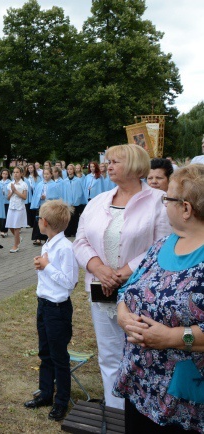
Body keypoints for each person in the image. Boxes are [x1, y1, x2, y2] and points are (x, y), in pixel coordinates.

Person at [73, 144, 171, 409]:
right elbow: (80, 240)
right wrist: (99, 269)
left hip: (140, 293)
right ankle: (115, 412)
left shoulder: (159, 202)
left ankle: (144, 412)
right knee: (109, 355)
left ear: (134, 165)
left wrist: (123, 273)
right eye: (108, 161)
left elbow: (162, 244)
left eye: (115, 161)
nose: (108, 166)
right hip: (101, 290)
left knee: (143, 354)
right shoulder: (98, 201)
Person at [113, 164, 204, 432]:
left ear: (186, 208)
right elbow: (126, 290)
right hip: (140, 389)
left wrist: (172, 338)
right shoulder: (161, 246)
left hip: (183, 403)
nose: (164, 205)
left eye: (168, 198)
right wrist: (122, 315)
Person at [24, 200, 79, 422]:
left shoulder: (65, 248)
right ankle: (45, 393)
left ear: (44, 222)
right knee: (45, 353)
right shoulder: (48, 244)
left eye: (39, 218)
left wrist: (46, 266)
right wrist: (42, 264)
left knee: (59, 357)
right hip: (44, 305)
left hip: (58, 309)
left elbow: (69, 282)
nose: (38, 221)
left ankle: (61, 402)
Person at [5, 166, 28, 253]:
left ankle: (16, 245)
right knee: (10, 225)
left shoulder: (24, 184)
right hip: (12, 206)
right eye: (14, 172)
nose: (15, 174)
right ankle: (18, 238)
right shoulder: (10, 184)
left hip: (19, 207)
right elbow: (8, 197)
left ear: (21, 173)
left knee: (16, 227)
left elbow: (24, 197)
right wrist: (12, 192)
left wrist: (16, 191)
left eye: (17, 172)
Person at [61, 164, 87, 237]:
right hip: (68, 203)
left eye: (71, 169)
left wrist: (77, 200)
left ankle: (75, 232)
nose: (69, 171)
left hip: (76, 203)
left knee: (75, 218)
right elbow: (63, 192)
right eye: (68, 169)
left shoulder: (78, 180)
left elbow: (80, 192)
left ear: (74, 170)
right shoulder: (64, 181)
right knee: (69, 218)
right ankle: (68, 232)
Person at [30, 168, 53, 246]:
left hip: (49, 206)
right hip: (41, 205)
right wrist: (40, 196)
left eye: (47, 174)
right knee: (38, 221)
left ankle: (48, 237)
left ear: (51, 174)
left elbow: (56, 195)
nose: (46, 175)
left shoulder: (54, 184)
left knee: (48, 222)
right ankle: (37, 238)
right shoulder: (40, 184)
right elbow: (36, 194)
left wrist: (47, 197)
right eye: (44, 174)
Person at [0, 169, 12, 237]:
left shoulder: (10, 182)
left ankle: (5, 230)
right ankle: (1, 230)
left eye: (6, 174)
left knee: (6, 216)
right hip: (1, 202)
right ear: (1, 174)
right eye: (3, 173)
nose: (5, 175)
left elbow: (11, 191)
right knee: (1, 216)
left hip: (7, 201)